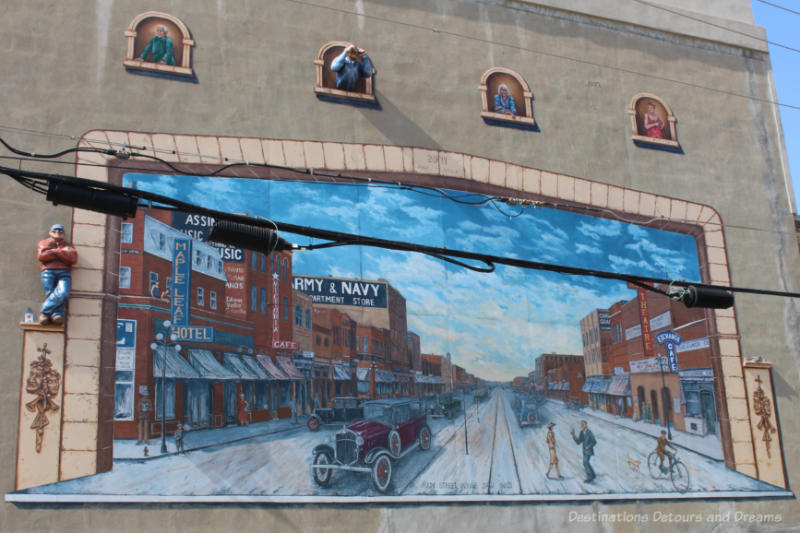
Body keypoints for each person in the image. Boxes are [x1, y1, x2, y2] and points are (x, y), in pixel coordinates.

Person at [37, 223, 78, 325]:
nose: (57, 233)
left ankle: (44, 312)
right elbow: (42, 256)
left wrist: (55, 252)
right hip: (48, 271)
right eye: (55, 230)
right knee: (51, 294)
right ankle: (56, 314)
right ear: (50, 232)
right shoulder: (44, 243)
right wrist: (62, 253)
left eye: (60, 231)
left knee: (63, 293)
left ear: (63, 234)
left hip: (64, 272)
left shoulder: (68, 245)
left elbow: (72, 258)